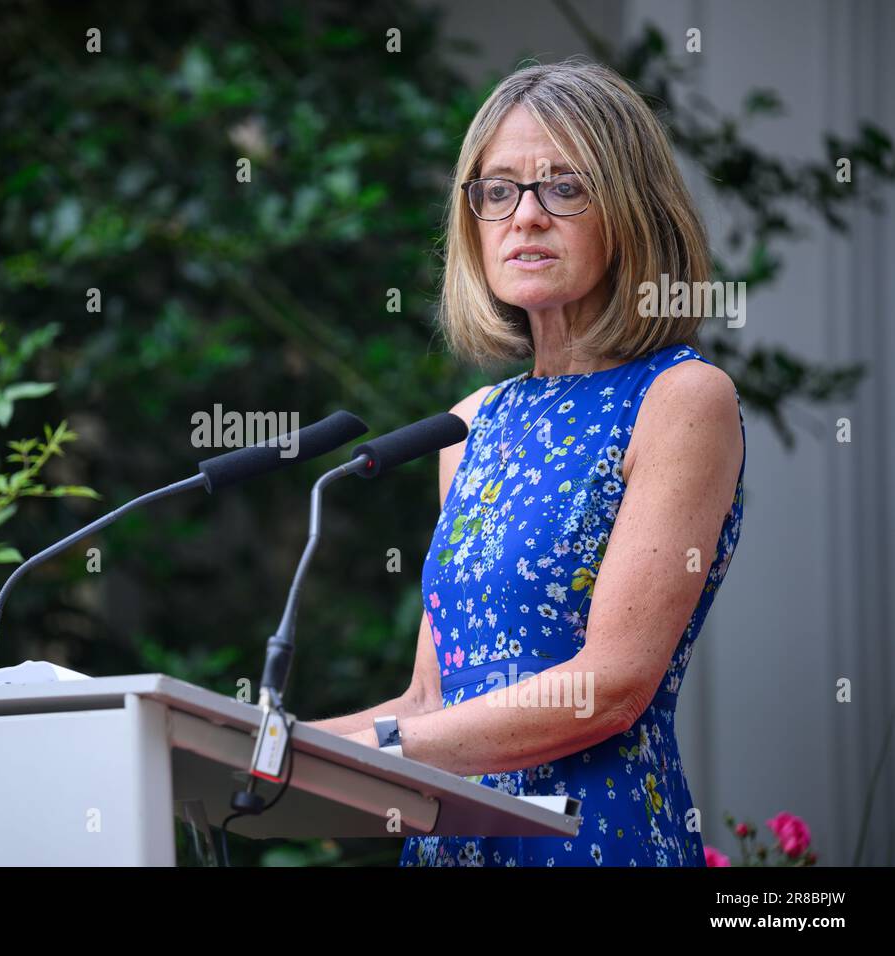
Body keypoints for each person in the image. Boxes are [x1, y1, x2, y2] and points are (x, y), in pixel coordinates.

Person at [304, 59, 745, 866]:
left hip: (592, 840)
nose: (525, 217)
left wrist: (375, 753)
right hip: (449, 843)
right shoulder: (472, 426)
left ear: (631, 212)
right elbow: (431, 696)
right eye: (497, 191)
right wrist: (258, 746)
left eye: (564, 187)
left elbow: (610, 684)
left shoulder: (683, 397)